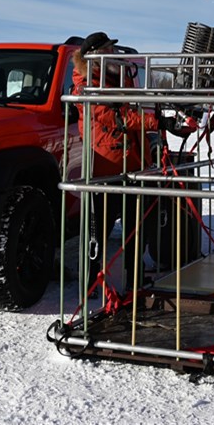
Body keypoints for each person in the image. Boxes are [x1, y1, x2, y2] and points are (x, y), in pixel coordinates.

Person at [71, 31, 179, 293]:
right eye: (109, 49)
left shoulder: (117, 77)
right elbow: (116, 117)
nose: (114, 54)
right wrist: (155, 122)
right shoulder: (87, 83)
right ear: (96, 55)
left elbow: (132, 112)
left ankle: (135, 280)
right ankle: (89, 283)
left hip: (130, 163)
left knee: (135, 229)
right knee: (97, 233)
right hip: (105, 169)